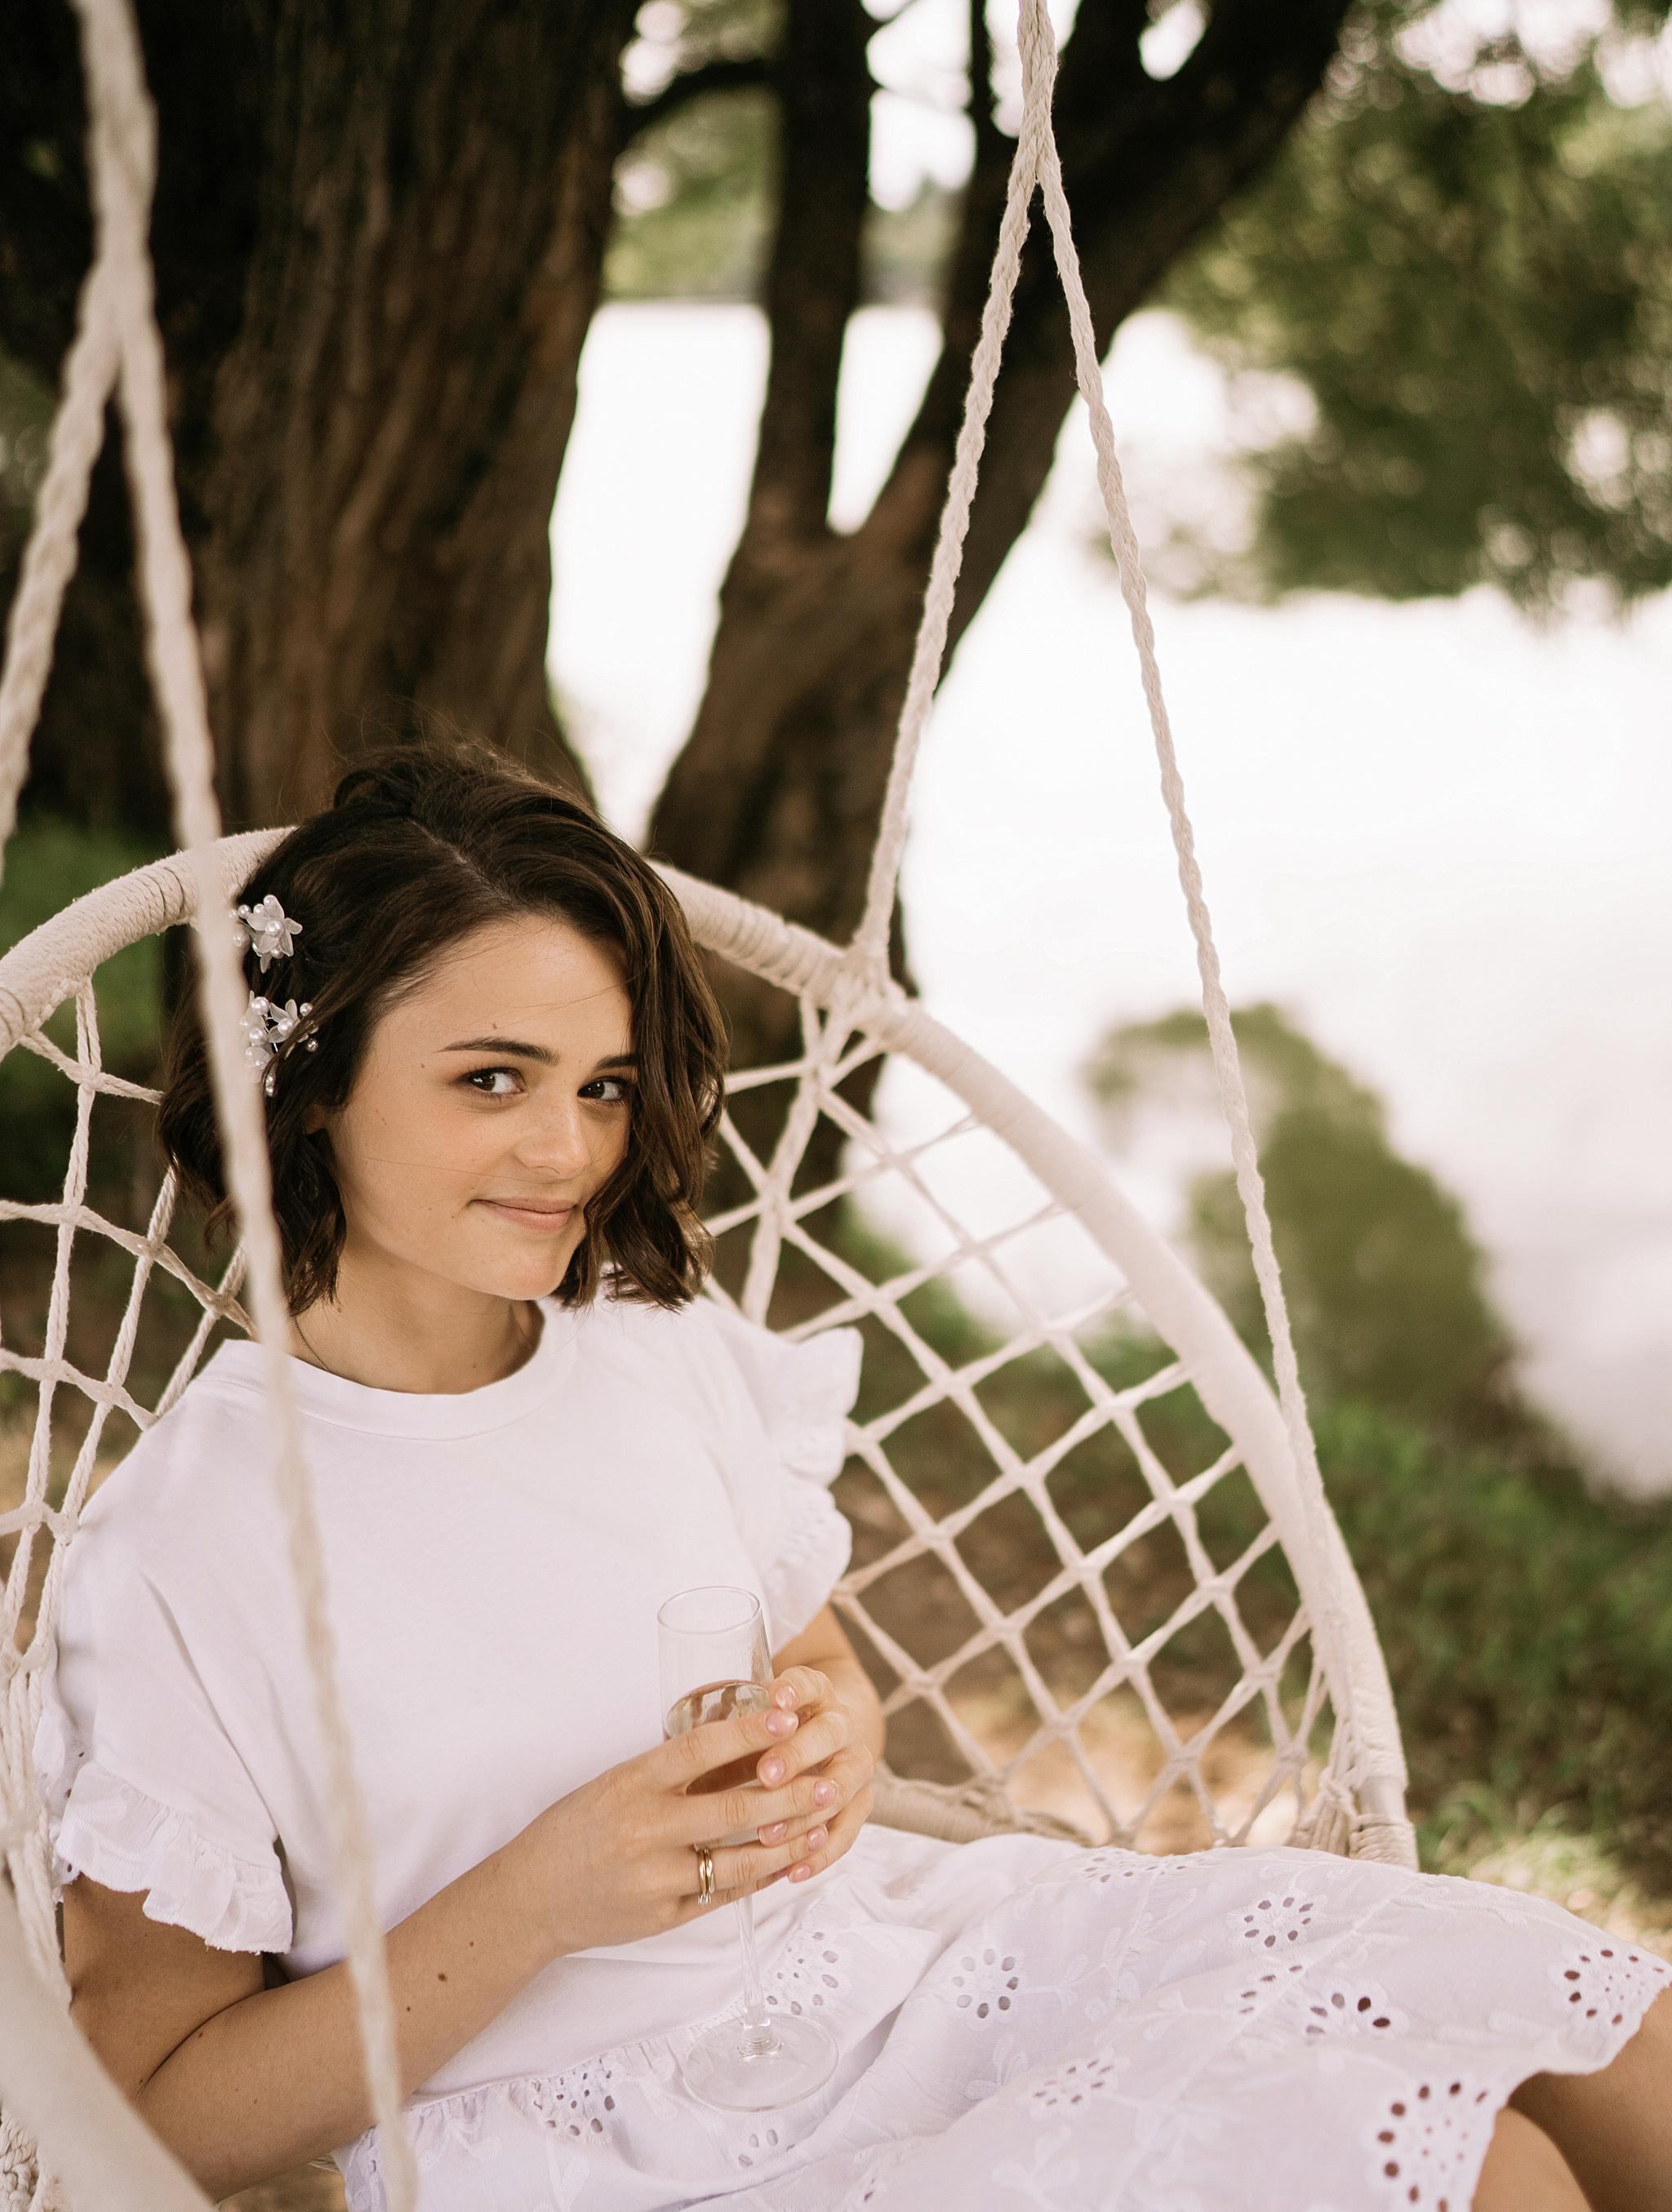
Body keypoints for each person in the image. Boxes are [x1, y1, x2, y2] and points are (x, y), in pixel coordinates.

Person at [34, 739, 1672, 2212]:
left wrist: (831, 1742)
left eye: (602, 1086)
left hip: (914, 1965)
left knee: (1614, 2045)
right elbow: (153, 2120)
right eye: (492, 1079)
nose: (569, 1152)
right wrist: (539, 1900)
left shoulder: (647, 1348)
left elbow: (814, 1669)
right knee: (1488, 2180)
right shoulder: (192, 1544)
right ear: (308, 1084)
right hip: (607, 2143)